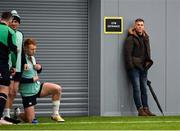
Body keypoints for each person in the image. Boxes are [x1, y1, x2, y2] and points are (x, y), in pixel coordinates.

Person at [15, 38, 64, 123]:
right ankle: (18, 114)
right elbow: (17, 78)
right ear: (25, 48)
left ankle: (55, 114)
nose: (34, 51)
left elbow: (36, 70)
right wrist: (31, 79)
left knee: (57, 89)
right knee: (30, 120)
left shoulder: (32, 57)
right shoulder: (20, 60)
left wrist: (39, 67)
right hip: (28, 92)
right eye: (32, 49)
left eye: (35, 49)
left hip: (37, 88)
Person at [124, 18, 155, 116]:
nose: (140, 26)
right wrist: (131, 67)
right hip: (134, 68)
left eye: (141, 25)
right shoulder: (130, 38)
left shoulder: (146, 37)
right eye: (138, 25)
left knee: (144, 89)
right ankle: (140, 110)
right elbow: (127, 55)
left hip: (144, 67)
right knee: (137, 88)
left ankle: (146, 109)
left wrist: (148, 63)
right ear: (135, 26)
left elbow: (148, 52)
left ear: (143, 26)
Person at [4, 10, 27, 118]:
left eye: (16, 22)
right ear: (9, 22)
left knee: (13, 92)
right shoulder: (5, 31)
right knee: (7, 91)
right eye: (12, 21)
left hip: (18, 67)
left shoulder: (20, 34)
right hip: (7, 66)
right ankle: (5, 114)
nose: (14, 23)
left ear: (19, 23)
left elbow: (21, 50)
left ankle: (7, 113)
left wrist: (25, 62)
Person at [0, 12, 17, 124]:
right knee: (3, 89)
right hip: (1, 64)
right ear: (10, 20)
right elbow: (14, 52)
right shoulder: (10, 32)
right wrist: (14, 66)